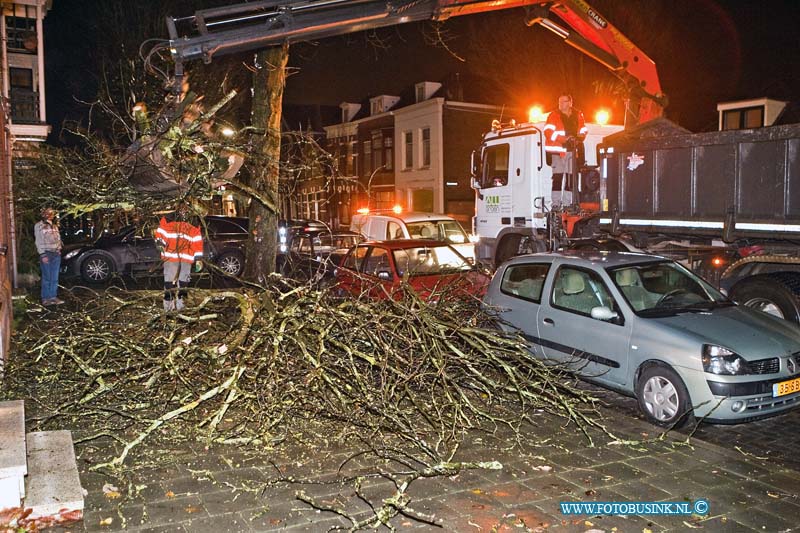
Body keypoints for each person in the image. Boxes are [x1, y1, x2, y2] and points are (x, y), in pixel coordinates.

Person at [155, 204, 203, 312]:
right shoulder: (167, 219)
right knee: (169, 285)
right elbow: (160, 235)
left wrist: (198, 258)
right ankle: (168, 309)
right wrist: (160, 245)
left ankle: (182, 308)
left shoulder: (193, 223)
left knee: (183, 285)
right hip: (171, 259)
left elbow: (197, 241)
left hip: (186, 259)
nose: (184, 210)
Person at [543, 93, 588, 207]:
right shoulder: (553, 115)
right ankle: (556, 204)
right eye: (559, 102)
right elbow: (548, 132)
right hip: (557, 152)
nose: (560, 104)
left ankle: (567, 204)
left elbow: (583, 129)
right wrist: (563, 139)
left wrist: (580, 137)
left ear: (570, 103)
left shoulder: (578, 114)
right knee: (557, 178)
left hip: (572, 151)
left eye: (563, 101)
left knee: (569, 179)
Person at [34, 207, 65, 306]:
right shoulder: (39, 226)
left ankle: (53, 297)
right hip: (46, 253)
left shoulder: (54, 226)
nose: (50, 215)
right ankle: (45, 298)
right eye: (48, 213)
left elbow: (58, 238)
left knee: (55, 277)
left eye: (52, 213)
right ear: (43, 214)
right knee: (47, 277)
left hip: (56, 254)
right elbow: (38, 241)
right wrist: (42, 254)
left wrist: (59, 249)